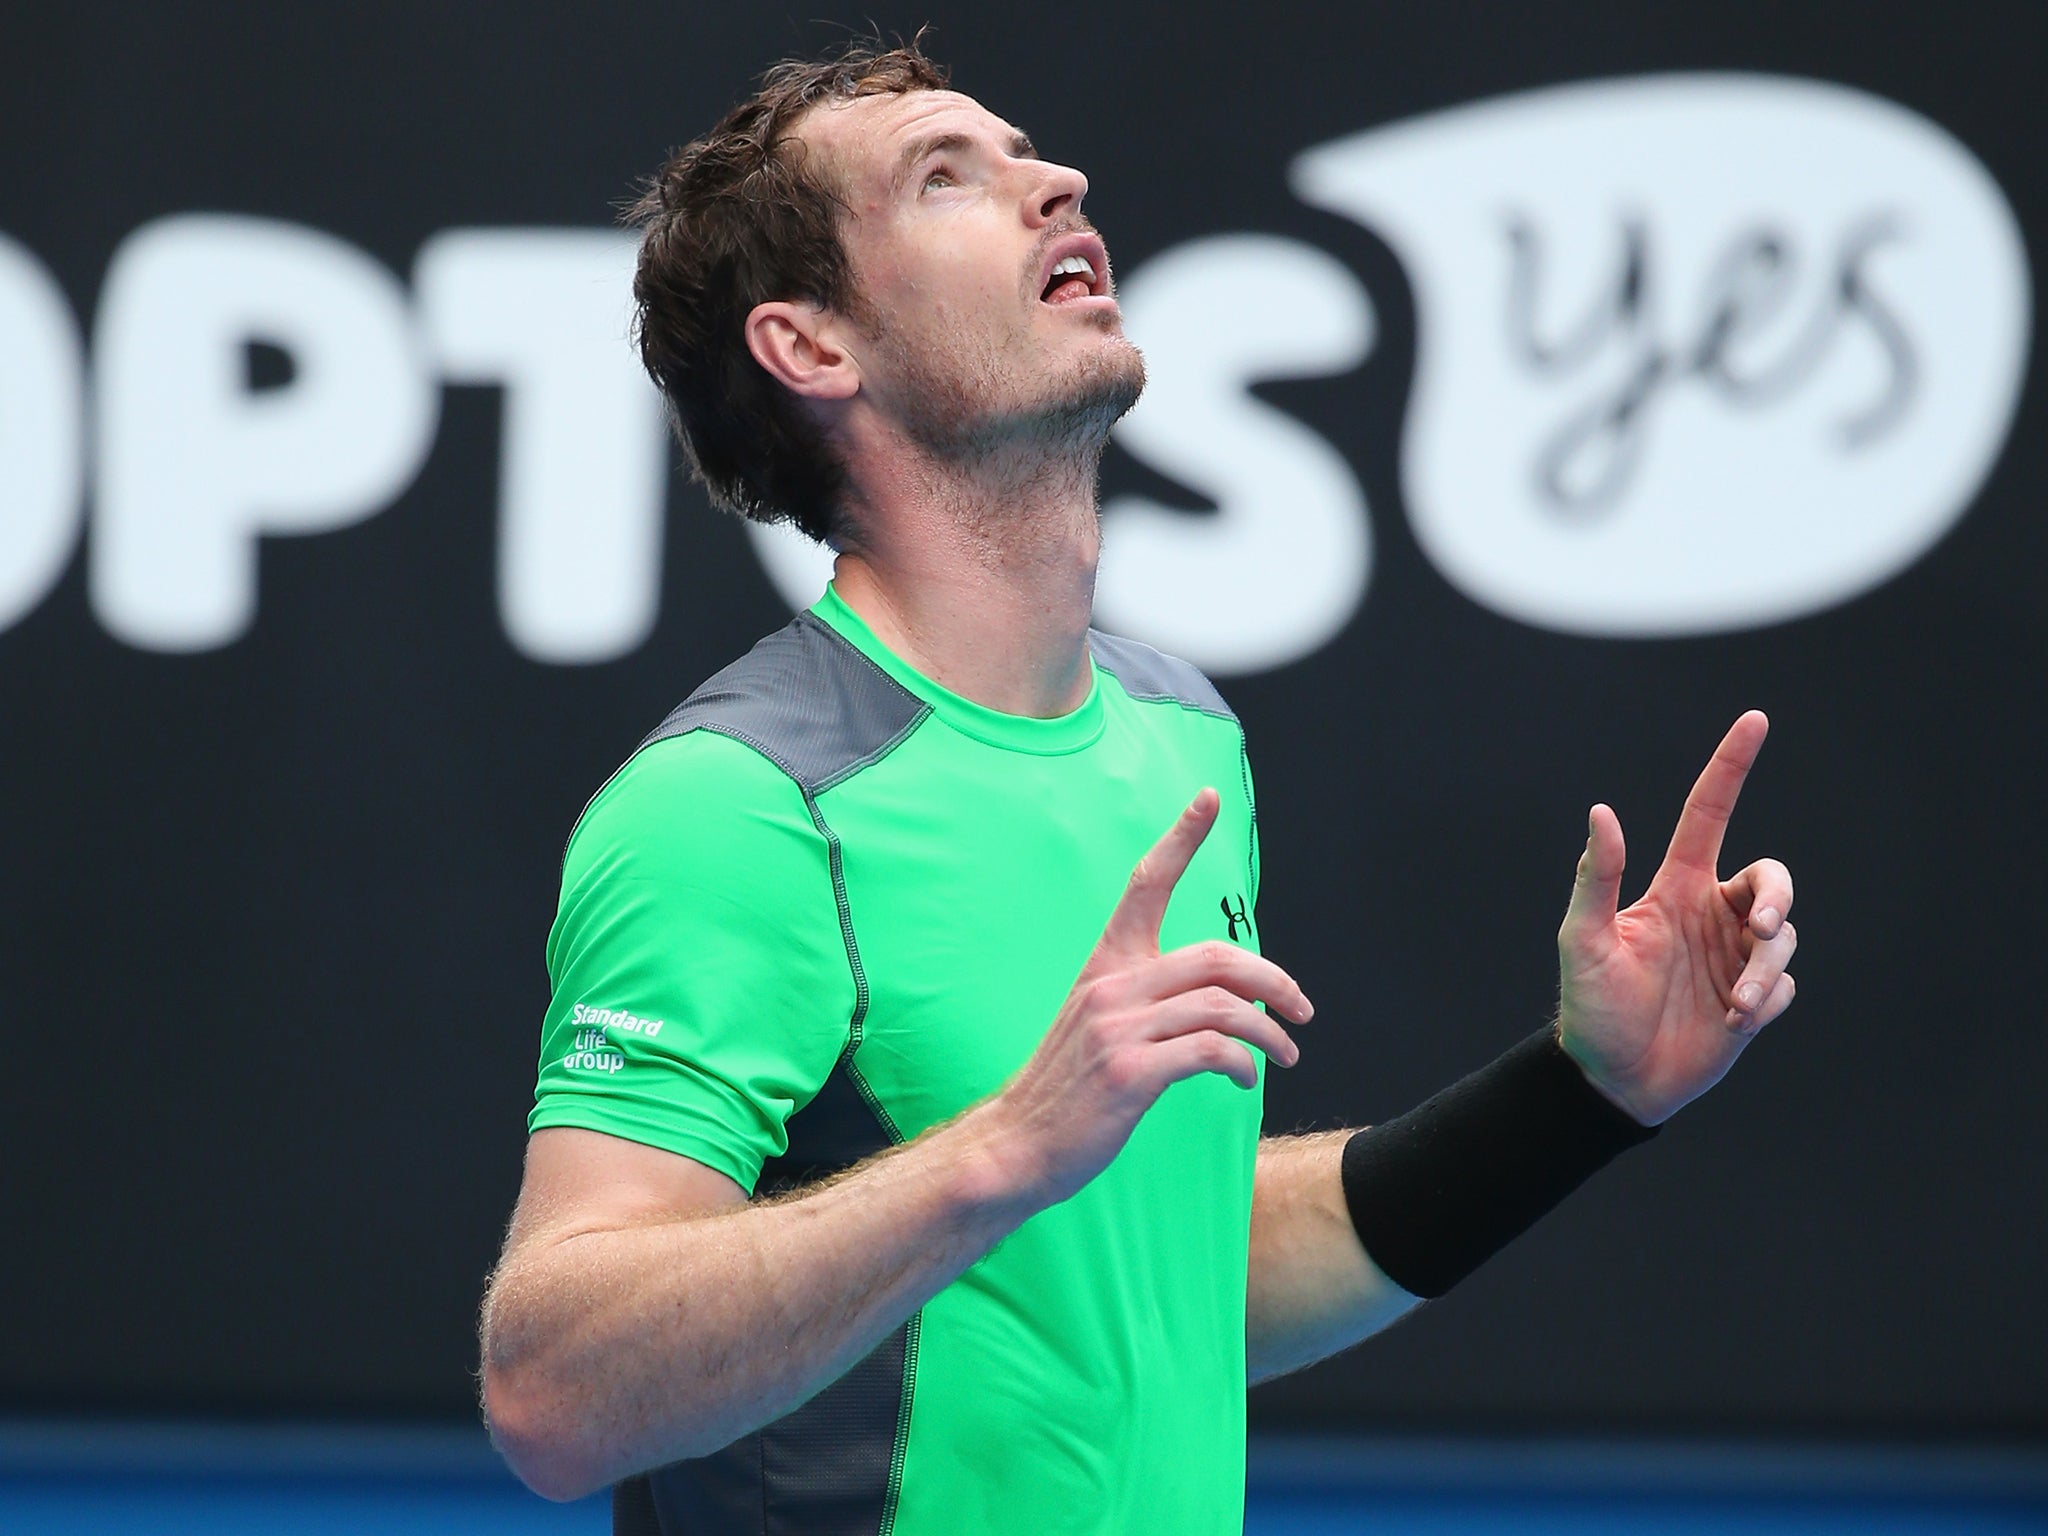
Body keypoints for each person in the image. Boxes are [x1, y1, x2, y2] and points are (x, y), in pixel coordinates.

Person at [478, 40, 1799, 1536]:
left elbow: (1150, 1278)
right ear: (811, 347)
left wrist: (1580, 1097)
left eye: (1024, 150)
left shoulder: (1181, 739)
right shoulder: (741, 804)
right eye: (945, 178)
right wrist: (1002, 1150)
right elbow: (551, 1391)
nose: (1058, 184)